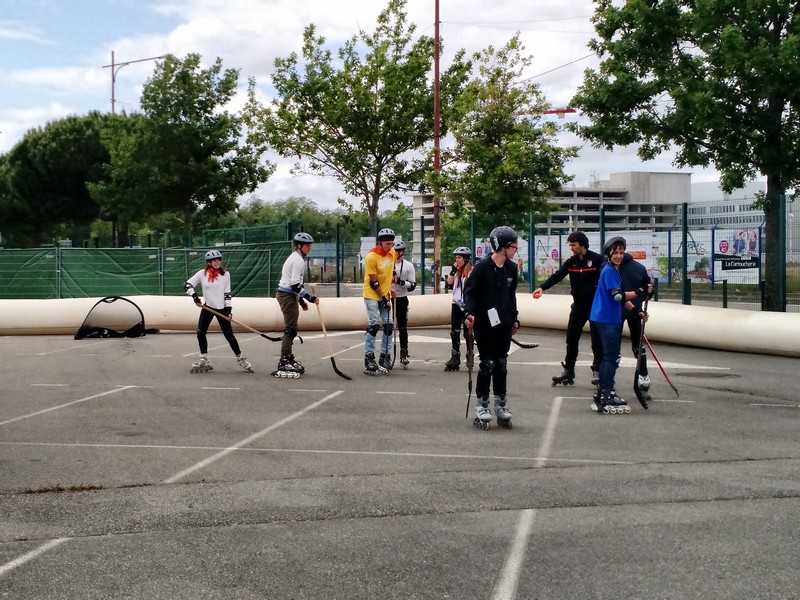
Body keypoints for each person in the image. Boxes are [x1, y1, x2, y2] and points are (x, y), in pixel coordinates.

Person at [463, 226, 520, 429]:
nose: (515, 250)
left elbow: (511, 295)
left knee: (501, 363)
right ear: (502, 247)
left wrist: (514, 318)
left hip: (503, 322)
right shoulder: (481, 268)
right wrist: (469, 313)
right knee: (487, 363)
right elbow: (469, 293)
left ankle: (501, 405)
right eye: (513, 246)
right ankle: (482, 405)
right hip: (485, 324)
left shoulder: (512, 268)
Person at [533, 231, 603, 385]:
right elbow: (558, 275)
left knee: (597, 340)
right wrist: (542, 288)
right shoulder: (571, 262)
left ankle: (598, 370)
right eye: (570, 244)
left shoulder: (597, 260)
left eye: (573, 244)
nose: (571, 247)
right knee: (571, 338)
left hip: (594, 306)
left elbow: (607, 278)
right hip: (578, 306)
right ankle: (569, 370)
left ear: (582, 244)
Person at [589, 237, 649, 414]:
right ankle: (606, 393)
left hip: (608, 317)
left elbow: (621, 300)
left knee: (610, 357)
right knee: (611, 358)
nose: (619, 256)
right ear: (609, 254)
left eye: (622, 253)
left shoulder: (615, 271)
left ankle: (602, 391)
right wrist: (640, 291)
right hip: (606, 319)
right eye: (616, 253)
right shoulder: (608, 271)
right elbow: (617, 296)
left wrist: (637, 311)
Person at [185, 249, 252, 373]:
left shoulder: (225, 275)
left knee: (228, 334)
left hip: (221, 309)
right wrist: (195, 297)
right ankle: (204, 358)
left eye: (219, 259)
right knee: (200, 332)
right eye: (214, 260)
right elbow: (188, 285)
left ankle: (240, 358)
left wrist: (229, 310)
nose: (217, 262)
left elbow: (227, 293)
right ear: (209, 262)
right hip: (208, 307)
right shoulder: (202, 274)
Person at [274, 232, 319, 377]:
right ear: (299, 246)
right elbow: (294, 284)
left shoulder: (297, 258)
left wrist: (301, 301)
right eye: (307, 245)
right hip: (286, 294)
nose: (309, 248)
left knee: (293, 328)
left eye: (310, 245)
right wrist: (309, 298)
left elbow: (296, 283)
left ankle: (288, 357)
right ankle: (284, 360)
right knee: (291, 329)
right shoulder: (298, 260)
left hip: (290, 294)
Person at [362, 228, 397, 375]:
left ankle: (385, 356)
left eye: (391, 243)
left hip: (386, 293)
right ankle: (369, 357)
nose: (390, 246)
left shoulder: (393, 253)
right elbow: (373, 283)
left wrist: (393, 287)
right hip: (372, 293)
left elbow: (392, 272)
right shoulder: (371, 257)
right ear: (380, 243)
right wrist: (383, 298)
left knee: (389, 326)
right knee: (374, 326)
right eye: (387, 244)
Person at [619, 251, 653, 393]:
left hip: (619, 310)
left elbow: (647, 289)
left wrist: (648, 292)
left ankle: (605, 378)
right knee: (637, 344)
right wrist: (648, 293)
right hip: (635, 309)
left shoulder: (611, 267)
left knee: (613, 345)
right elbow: (648, 289)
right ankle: (644, 375)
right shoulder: (639, 267)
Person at [444, 247, 473, 372]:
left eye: (459, 258)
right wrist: (452, 271)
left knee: (468, 333)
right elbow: (449, 284)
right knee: (454, 332)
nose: (457, 260)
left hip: (467, 304)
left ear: (465, 259)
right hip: (456, 304)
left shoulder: (471, 271)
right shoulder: (457, 272)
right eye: (456, 258)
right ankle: (455, 357)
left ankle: (470, 354)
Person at [392, 240, 417, 367]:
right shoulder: (387, 264)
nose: (395, 254)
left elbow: (412, 286)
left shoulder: (408, 266)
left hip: (401, 298)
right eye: (393, 251)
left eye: (397, 252)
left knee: (402, 327)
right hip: (389, 298)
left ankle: (404, 352)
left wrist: (401, 282)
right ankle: (385, 354)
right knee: (388, 326)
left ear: (402, 252)